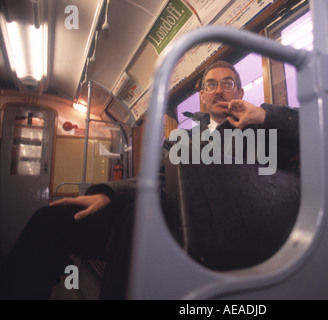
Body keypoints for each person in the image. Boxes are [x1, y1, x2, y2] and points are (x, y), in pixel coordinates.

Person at [0, 60, 299, 300]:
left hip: (217, 224)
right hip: (161, 208)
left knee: (137, 218)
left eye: (227, 83)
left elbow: (315, 129)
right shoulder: (180, 139)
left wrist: (262, 116)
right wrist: (108, 192)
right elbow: (151, 178)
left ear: (240, 93)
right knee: (51, 220)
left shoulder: (260, 130)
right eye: (211, 84)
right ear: (202, 96)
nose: (219, 90)